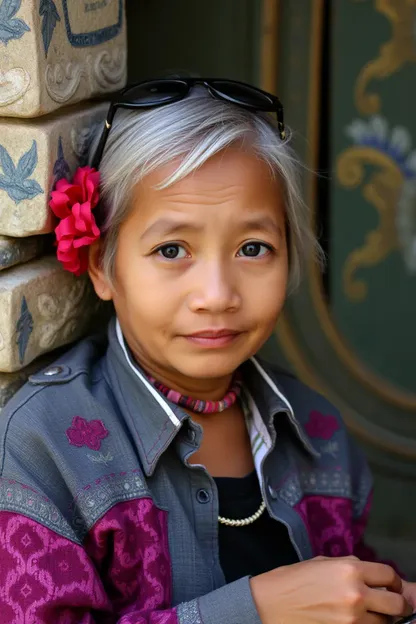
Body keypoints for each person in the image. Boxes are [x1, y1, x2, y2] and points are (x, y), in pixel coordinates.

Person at [0, 78, 414, 624]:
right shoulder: (42, 447)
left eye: (253, 248)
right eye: (172, 250)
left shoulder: (317, 434)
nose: (217, 295)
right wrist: (256, 610)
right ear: (102, 264)